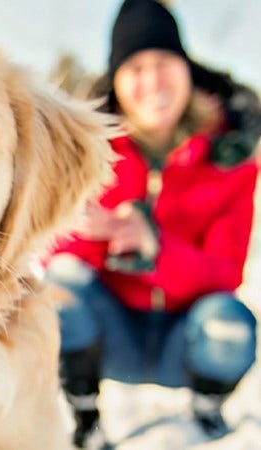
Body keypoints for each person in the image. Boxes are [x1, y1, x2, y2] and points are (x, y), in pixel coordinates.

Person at [43, 0, 261, 448]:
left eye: (163, 62)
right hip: (109, 336)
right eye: (135, 67)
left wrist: (154, 246)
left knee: (230, 321)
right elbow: (52, 256)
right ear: (116, 81)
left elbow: (225, 273)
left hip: (185, 341)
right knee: (60, 284)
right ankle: (85, 418)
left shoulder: (230, 155)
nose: (152, 80)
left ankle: (206, 409)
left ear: (187, 69)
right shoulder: (90, 152)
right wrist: (93, 236)